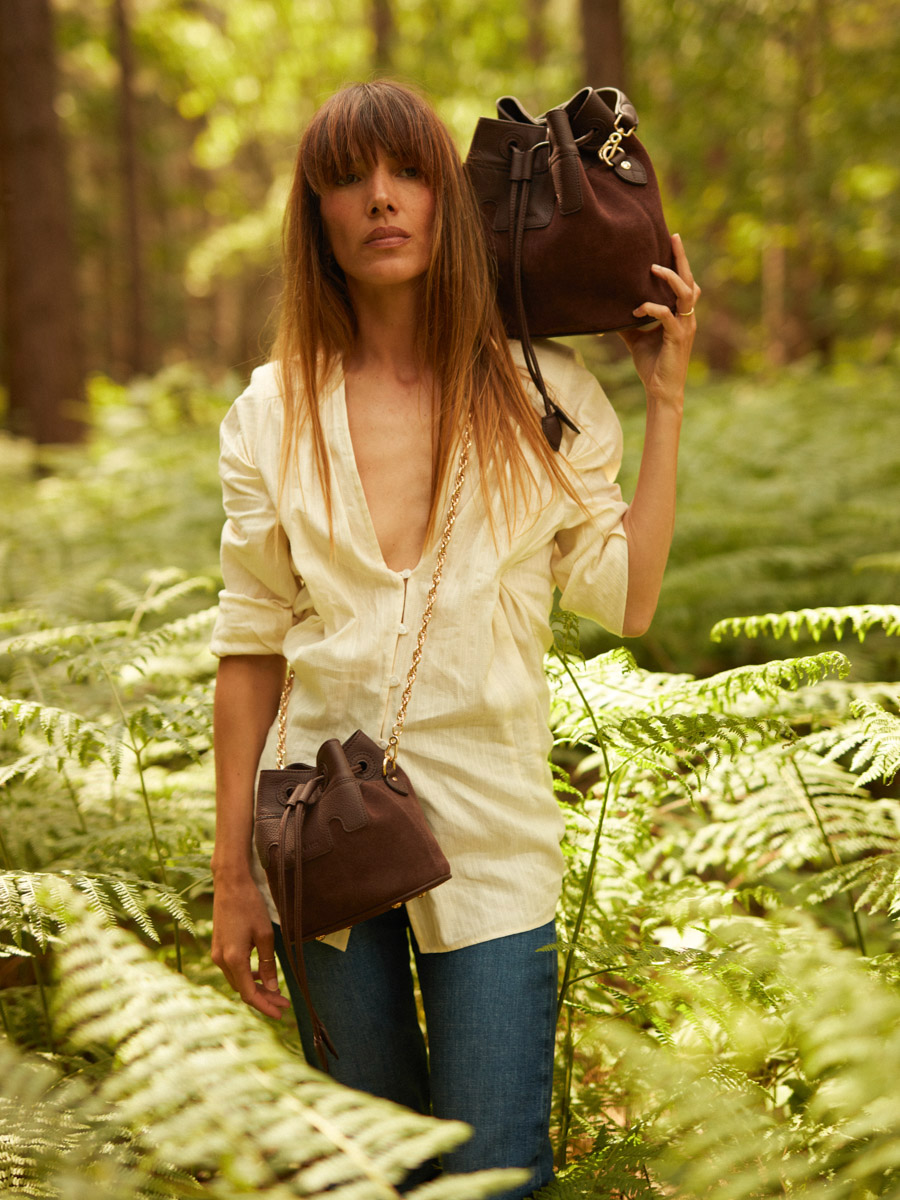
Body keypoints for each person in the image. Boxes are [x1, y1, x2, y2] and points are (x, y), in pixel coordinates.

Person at [209, 80, 699, 1198]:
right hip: (316, 829)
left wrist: (665, 403)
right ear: (316, 216)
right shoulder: (270, 414)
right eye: (347, 178)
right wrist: (231, 869)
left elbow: (623, 596)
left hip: (491, 833)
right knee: (371, 1176)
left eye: (409, 171)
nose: (380, 199)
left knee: (491, 1176)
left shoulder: (546, 396)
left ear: (451, 199)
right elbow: (249, 649)